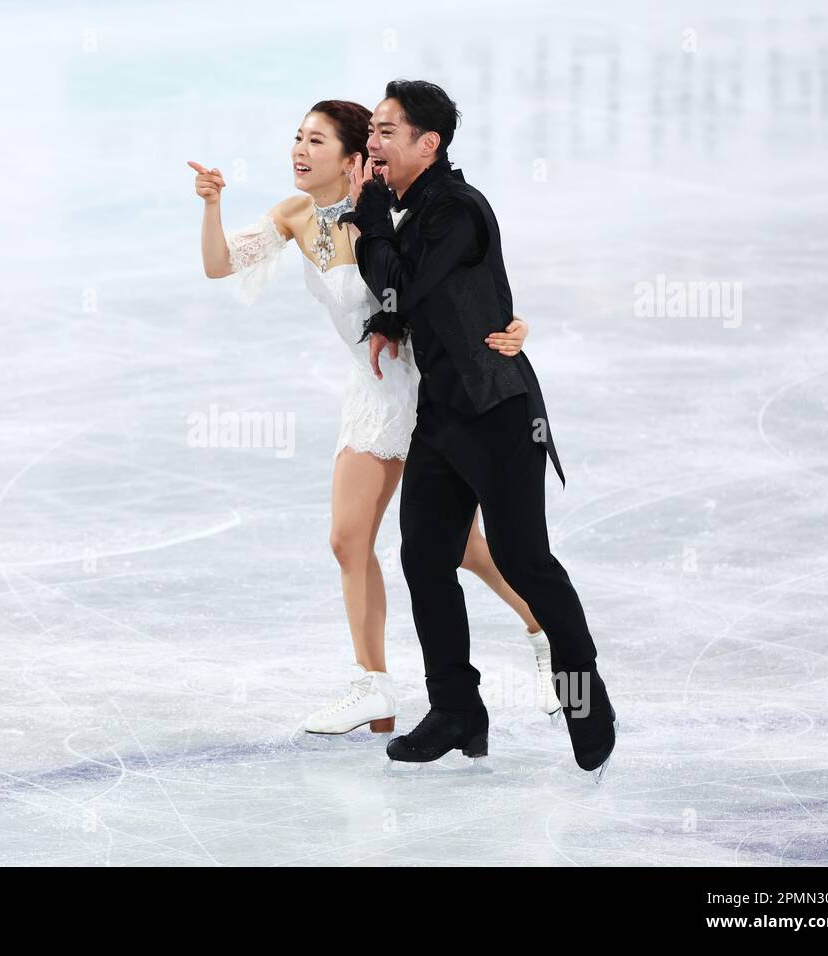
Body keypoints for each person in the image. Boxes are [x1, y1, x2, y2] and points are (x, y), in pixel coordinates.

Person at [187, 99, 561, 738]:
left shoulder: (393, 213)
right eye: (298, 139)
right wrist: (212, 203)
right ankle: (374, 685)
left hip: (429, 386)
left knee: (466, 546)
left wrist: (512, 326)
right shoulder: (296, 214)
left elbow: (456, 281)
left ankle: (548, 638)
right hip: (372, 388)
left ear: (353, 157)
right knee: (348, 538)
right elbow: (221, 263)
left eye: (316, 141)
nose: (300, 152)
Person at [340, 79, 617, 778]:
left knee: (526, 561)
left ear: (428, 145)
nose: (372, 145)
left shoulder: (457, 210)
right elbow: (409, 297)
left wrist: (368, 213)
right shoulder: (418, 210)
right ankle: (457, 710)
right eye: (371, 131)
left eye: (386, 132)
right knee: (424, 557)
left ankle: (585, 697)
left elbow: (398, 277)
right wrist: (388, 322)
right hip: (443, 415)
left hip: (497, 414)